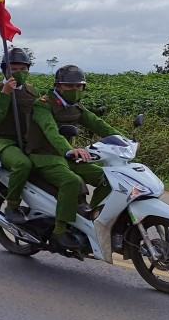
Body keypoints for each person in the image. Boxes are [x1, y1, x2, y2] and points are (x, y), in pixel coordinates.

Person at [27, 64, 122, 250]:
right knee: (72, 182)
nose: (75, 90)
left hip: (67, 156)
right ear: (58, 86)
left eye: (79, 86)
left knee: (107, 178)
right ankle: (59, 232)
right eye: (70, 86)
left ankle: (91, 218)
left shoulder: (74, 106)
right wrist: (69, 150)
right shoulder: (43, 105)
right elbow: (51, 131)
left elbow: (97, 123)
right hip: (44, 156)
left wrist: (123, 140)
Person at [0, 48, 39, 226]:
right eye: (14, 69)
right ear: (5, 70)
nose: (19, 72)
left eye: (23, 69)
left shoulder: (32, 92)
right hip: (2, 141)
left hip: (27, 142)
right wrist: (5, 93)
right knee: (22, 165)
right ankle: (12, 206)